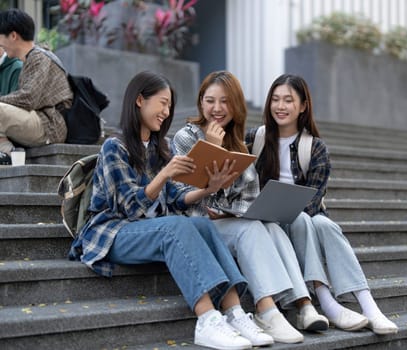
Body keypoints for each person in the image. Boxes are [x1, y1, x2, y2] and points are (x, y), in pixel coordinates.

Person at [69, 70, 268, 350]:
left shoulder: (159, 148)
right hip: (113, 232)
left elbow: (176, 198)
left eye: (170, 106)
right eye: (162, 103)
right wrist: (163, 175)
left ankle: (235, 313)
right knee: (177, 225)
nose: (166, 111)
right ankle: (208, 320)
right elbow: (130, 206)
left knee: (201, 224)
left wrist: (209, 189)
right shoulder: (114, 147)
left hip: (148, 230)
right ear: (140, 100)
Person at [171, 70, 329, 344]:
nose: (217, 109)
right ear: (200, 102)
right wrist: (211, 149)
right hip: (198, 226)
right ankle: (266, 310)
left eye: (225, 102)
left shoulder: (241, 146)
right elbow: (182, 193)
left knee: (271, 228)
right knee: (251, 229)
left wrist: (229, 207)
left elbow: (249, 196)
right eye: (210, 101)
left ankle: (302, 304)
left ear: (236, 105)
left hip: (226, 221)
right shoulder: (186, 137)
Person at [245, 74, 399, 335]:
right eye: (275, 99)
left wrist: (290, 211)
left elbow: (312, 202)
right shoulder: (254, 139)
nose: (280, 106)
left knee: (323, 224)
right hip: (266, 223)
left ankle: (368, 305)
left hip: (303, 219)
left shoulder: (315, 148)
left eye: (288, 100)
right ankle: (326, 301)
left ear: (303, 106)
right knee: (306, 220)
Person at [0, 8, 72, 165]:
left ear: (13, 36)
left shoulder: (39, 57)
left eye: (1, 36)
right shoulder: (31, 58)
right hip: (40, 121)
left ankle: (9, 154)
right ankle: (8, 152)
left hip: (49, 126)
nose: (0, 43)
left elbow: (28, 98)